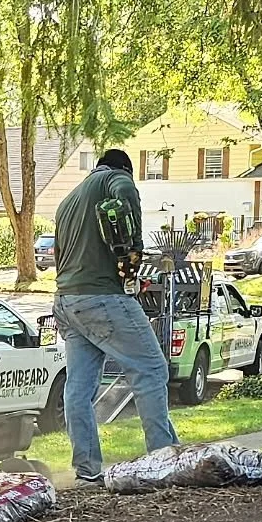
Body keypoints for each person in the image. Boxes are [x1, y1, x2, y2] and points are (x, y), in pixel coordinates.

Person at [53, 147, 179, 486]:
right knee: (152, 368)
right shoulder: (117, 179)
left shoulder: (67, 202)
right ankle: (164, 461)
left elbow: (60, 254)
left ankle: (87, 469)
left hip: (67, 302)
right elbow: (123, 192)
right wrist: (132, 244)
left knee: (79, 387)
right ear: (123, 168)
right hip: (102, 298)